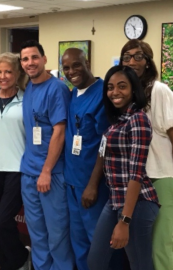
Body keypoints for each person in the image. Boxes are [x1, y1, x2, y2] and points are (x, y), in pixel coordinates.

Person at [87, 65, 159, 270]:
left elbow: (136, 174)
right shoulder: (117, 121)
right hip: (115, 200)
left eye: (122, 86)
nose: (115, 92)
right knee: (95, 261)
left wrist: (125, 221)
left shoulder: (138, 119)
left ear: (133, 90)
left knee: (140, 264)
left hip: (138, 203)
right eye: (110, 87)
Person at [19, 40, 74, 270]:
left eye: (34, 57)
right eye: (25, 59)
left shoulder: (57, 88)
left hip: (50, 174)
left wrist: (46, 171)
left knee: (57, 234)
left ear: (44, 59)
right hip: (29, 172)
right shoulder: (29, 87)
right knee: (37, 234)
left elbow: (59, 132)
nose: (30, 63)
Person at [119, 39, 173, 270]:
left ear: (148, 61)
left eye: (138, 56)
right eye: (127, 57)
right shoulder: (127, 94)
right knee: (140, 247)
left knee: (161, 246)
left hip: (160, 177)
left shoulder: (159, 90)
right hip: (136, 181)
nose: (132, 61)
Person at [61, 48, 110, 270]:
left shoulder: (103, 94)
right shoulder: (72, 94)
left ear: (87, 62)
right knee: (79, 244)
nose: (72, 71)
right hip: (72, 182)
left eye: (76, 65)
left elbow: (106, 144)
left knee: (98, 244)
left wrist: (92, 185)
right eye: (67, 68)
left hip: (93, 185)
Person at [0, 52, 30, 270]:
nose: (3, 76)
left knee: (3, 220)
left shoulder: (26, 99)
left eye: (8, 72)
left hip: (17, 169)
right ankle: (7, 265)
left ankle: (21, 257)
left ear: (17, 73)